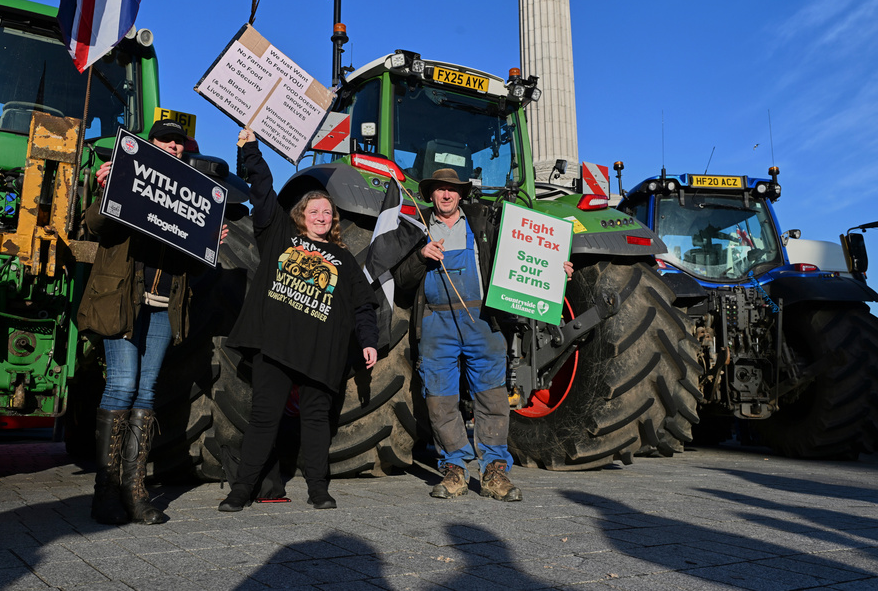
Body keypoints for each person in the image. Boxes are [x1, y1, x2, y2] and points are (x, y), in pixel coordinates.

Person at [219, 128, 379, 512]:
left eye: (328, 212)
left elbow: (363, 304)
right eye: (314, 211)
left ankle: (319, 490)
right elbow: (262, 189)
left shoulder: (344, 260)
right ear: (300, 216)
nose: (322, 216)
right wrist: (250, 149)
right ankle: (242, 490)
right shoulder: (279, 236)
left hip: (320, 356)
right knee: (263, 419)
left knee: (316, 423)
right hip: (274, 348)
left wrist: (369, 339)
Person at [394, 168, 573, 502]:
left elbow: (523, 257)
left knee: (492, 399)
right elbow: (401, 281)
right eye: (440, 190)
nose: (446, 196)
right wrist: (421, 257)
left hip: (482, 321)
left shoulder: (484, 224)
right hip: (436, 325)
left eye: (452, 190)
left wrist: (554, 269)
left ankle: (494, 473)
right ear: (431, 195)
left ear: (461, 195)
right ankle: (455, 469)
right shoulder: (417, 229)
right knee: (440, 400)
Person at [77, 118, 224, 526]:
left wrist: (210, 241)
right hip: (122, 301)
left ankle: (134, 489)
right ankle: (105, 491)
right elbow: (95, 225)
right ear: (150, 144)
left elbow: (192, 267)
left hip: (164, 305)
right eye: (165, 141)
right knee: (122, 384)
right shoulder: (126, 178)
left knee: (146, 390)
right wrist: (106, 188)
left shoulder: (189, 196)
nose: (174, 148)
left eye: (180, 144)